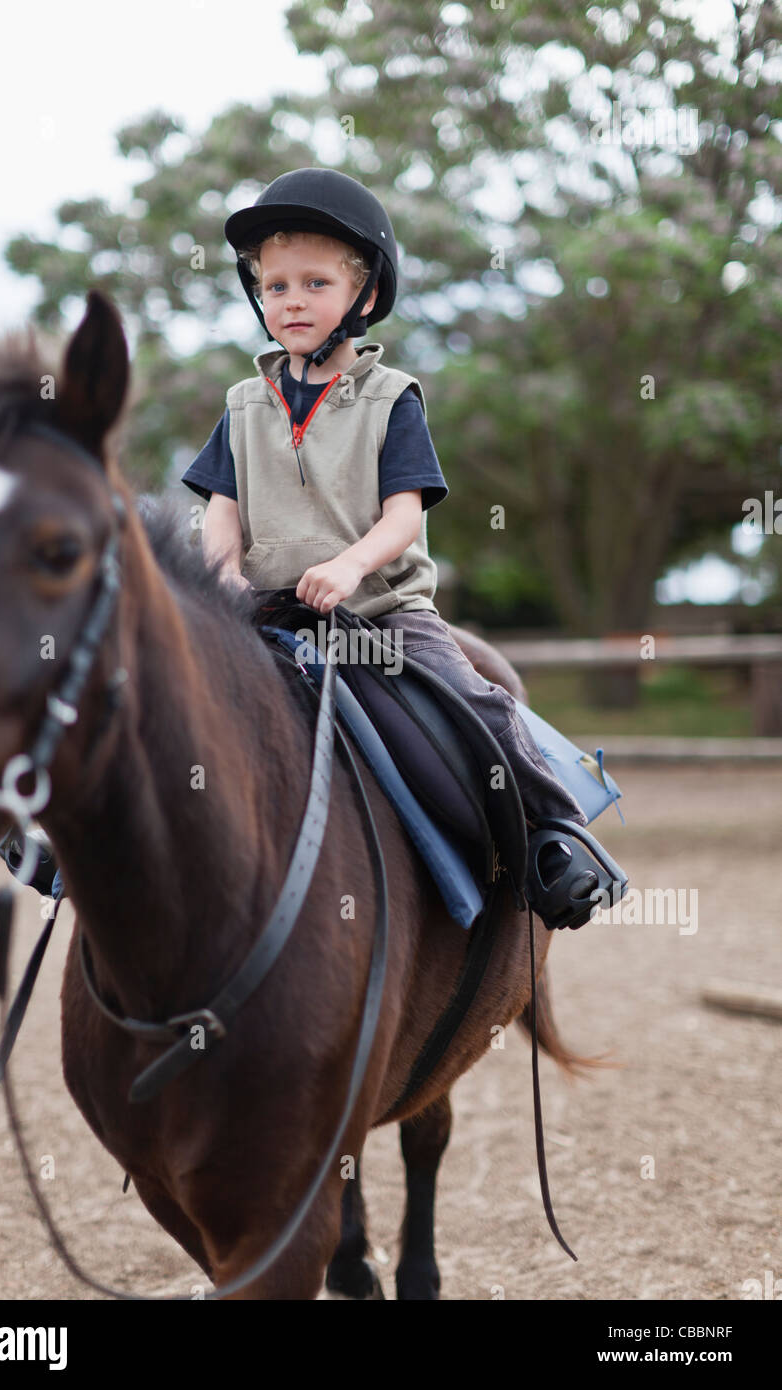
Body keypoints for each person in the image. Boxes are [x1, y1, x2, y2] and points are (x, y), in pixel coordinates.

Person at [180, 167, 628, 931]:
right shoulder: (242, 405)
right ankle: (73, 847)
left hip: (379, 614)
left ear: (366, 297)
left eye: (315, 283)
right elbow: (221, 513)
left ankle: (553, 836)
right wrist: (221, 579)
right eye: (275, 284)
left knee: (470, 707)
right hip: (262, 619)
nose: (291, 299)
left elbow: (404, 517)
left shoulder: (394, 399)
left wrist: (350, 564)